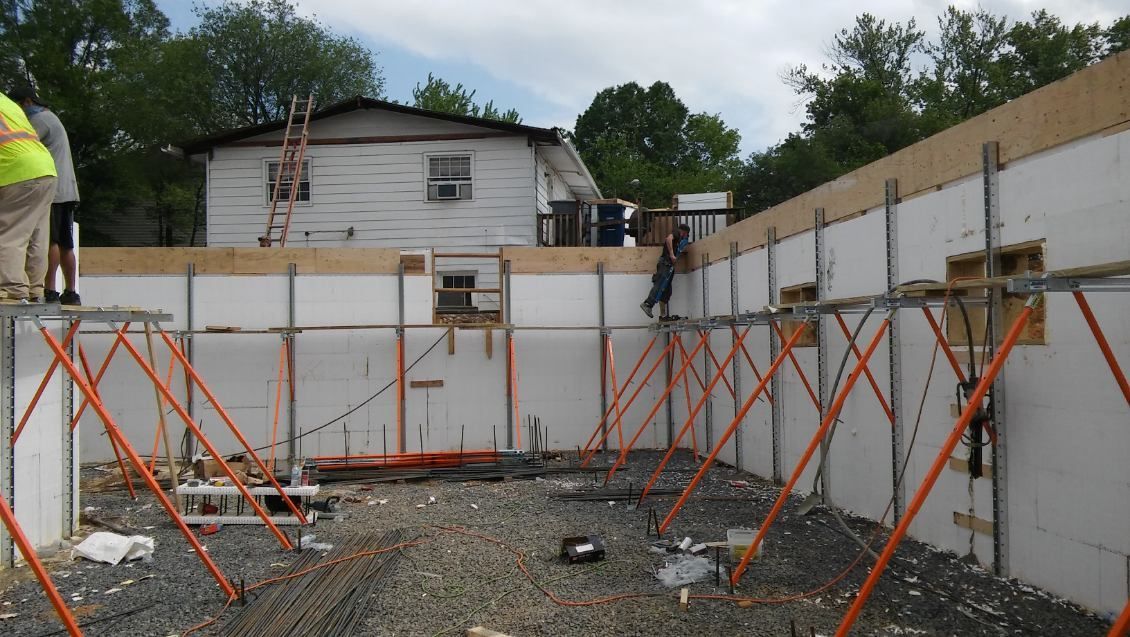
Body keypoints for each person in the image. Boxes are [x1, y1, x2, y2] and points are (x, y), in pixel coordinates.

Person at [10, 86, 80, 305]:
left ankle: (48, 289)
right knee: (67, 243)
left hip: (53, 189)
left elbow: (19, 147)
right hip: (67, 189)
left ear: (28, 102)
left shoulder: (39, 121)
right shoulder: (52, 118)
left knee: (50, 241)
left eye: (19, 106)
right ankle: (70, 292)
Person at [0, 91, 56, 302]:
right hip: (45, 169)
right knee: (36, 236)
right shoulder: (7, 102)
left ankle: (11, 289)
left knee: (9, 233)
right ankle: (35, 289)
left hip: (18, 172)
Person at [640, 223, 690, 318]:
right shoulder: (676, 233)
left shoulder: (679, 240)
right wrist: (671, 254)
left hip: (669, 266)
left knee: (666, 290)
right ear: (684, 232)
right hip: (665, 264)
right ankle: (647, 304)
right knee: (659, 285)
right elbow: (668, 239)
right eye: (686, 234)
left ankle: (663, 315)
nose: (685, 237)